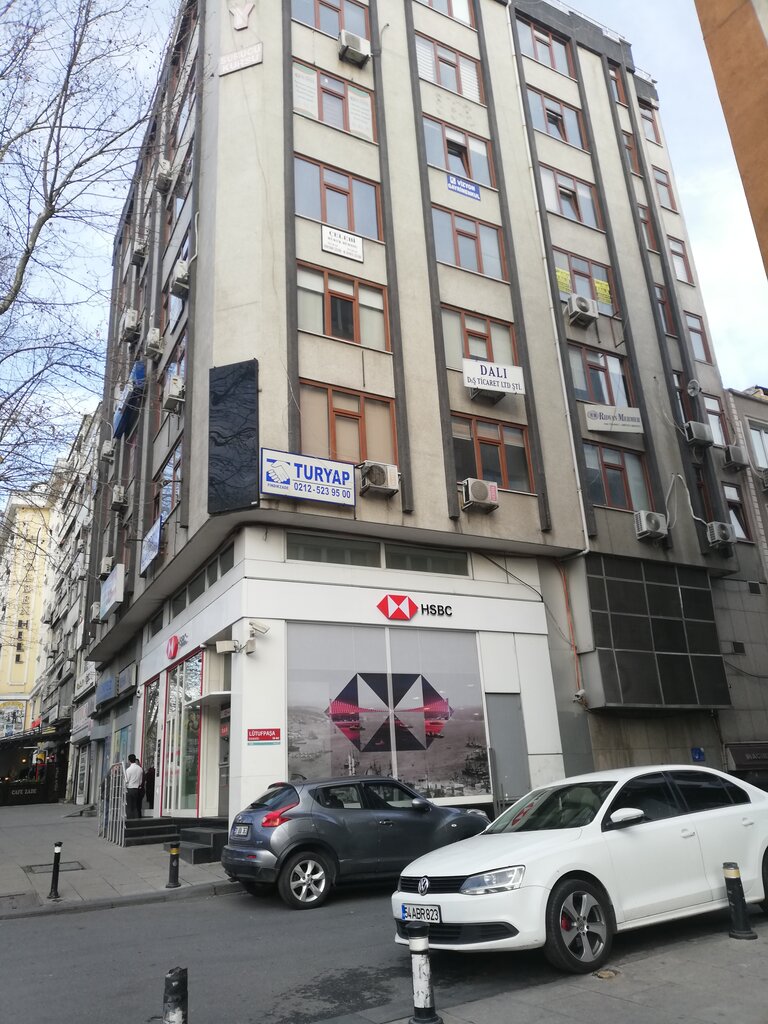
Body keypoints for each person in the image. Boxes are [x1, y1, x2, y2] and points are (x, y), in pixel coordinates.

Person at [125, 754, 143, 818]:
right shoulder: (140, 769)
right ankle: (136, 820)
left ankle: (129, 820)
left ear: (129, 760)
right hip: (136, 789)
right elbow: (140, 781)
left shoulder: (128, 770)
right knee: (135, 806)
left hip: (130, 789)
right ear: (135, 760)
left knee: (129, 806)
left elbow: (126, 781)